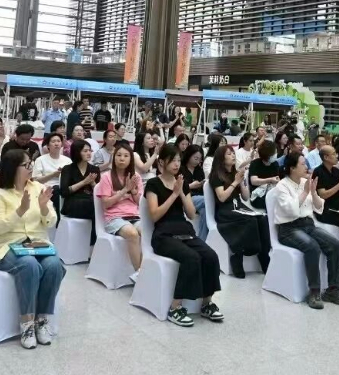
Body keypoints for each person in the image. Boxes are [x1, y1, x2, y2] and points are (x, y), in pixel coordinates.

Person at [0, 149, 64, 349]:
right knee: (30, 265)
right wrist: (20, 211)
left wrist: (44, 207)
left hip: (37, 244)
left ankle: (42, 320)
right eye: (27, 165)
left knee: (54, 265)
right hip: (7, 246)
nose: (31, 168)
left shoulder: (38, 188)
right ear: (13, 168)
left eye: (31, 164)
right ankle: (27, 323)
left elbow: (51, 222)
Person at [145, 144, 224, 326]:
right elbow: (154, 215)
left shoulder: (181, 184)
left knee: (210, 256)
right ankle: (175, 307)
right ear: (161, 162)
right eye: (172, 160)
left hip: (184, 231)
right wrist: (173, 194)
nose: (176, 164)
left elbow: (191, 213)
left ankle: (207, 303)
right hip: (163, 235)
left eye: (178, 160)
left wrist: (181, 191)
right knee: (191, 258)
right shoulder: (153, 184)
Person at [273, 151, 339, 309]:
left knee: (335, 245)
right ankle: (314, 292)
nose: (306, 167)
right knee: (312, 247)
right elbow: (291, 210)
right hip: (288, 228)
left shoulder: (305, 182)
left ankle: (333, 289)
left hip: (308, 224)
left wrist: (313, 192)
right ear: (292, 168)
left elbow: (318, 206)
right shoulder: (282, 186)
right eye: (302, 164)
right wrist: (305, 192)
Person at [210, 145, 271, 278]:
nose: (233, 155)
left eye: (233, 153)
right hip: (225, 210)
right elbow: (222, 197)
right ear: (221, 158)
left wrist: (242, 182)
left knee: (262, 218)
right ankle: (238, 254)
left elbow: (246, 197)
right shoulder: (216, 175)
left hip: (239, 206)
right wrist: (235, 182)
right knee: (250, 220)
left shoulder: (235, 173)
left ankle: (263, 255)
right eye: (229, 154)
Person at [95, 143, 143, 281]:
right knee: (132, 234)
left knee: (148, 232)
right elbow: (106, 204)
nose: (122, 158)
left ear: (131, 159)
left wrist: (133, 191)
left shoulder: (136, 177)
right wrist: (124, 191)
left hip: (134, 216)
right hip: (114, 218)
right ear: (114, 157)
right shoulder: (106, 177)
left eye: (126, 156)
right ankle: (139, 273)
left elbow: (139, 203)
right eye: (119, 155)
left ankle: (144, 271)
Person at [59, 140, 100, 245]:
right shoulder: (68, 169)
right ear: (77, 152)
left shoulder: (95, 169)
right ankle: (93, 242)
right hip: (73, 202)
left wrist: (92, 183)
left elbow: (99, 193)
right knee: (94, 208)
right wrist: (84, 182)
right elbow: (64, 192)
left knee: (97, 205)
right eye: (85, 151)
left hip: (90, 201)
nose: (89, 153)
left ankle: (95, 241)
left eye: (90, 150)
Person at [33, 133, 71, 213]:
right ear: (48, 145)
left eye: (58, 141)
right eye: (53, 141)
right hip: (46, 187)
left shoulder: (67, 160)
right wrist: (53, 175)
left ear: (61, 144)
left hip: (64, 187)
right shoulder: (40, 160)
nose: (56, 144)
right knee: (56, 189)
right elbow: (36, 180)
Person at [180, 145, 208, 238]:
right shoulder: (181, 169)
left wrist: (203, 184)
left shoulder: (199, 170)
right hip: (187, 198)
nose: (197, 161)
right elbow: (177, 187)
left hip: (199, 198)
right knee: (208, 200)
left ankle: (202, 240)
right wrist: (191, 186)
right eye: (195, 158)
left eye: (200, 159)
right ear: (189, 155)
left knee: (205, 212)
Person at [248, 140, 280, 210]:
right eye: (274, 153)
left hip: (271, 191)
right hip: (258, 195)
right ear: (268, 154)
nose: (276, 154)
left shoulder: (275, 164)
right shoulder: (255, 164)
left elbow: (277, 179)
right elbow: (254, 181)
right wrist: (269, 180)